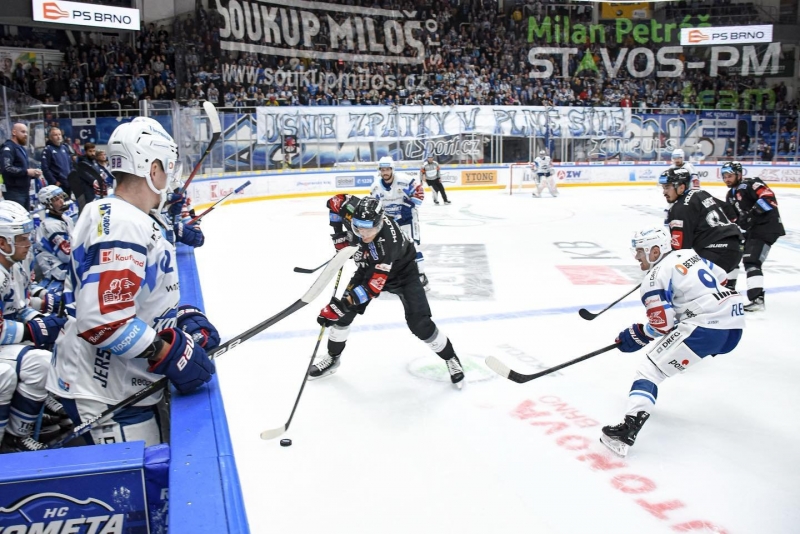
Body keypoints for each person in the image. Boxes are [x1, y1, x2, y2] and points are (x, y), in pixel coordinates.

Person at [46, 117, 218, 446]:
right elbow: (103, 321)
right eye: (167, 167)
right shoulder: (122, 223)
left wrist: (182, 318)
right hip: (107, 391)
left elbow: (136, 295)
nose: (169, 177)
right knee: (142, 494)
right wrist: (167, 350)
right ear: (152, 169)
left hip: (122, 382)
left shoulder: (125, 216)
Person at [600, 227, 745, 457]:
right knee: (673, 347)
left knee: (649, 371)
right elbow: (722, 277)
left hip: (707, 326)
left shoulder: (653, 279)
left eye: (640, 251)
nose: (636, 256)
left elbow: (662, 325)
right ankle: (679, 356)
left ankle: (627, 429)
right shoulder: (689, 254)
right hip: (735, 322)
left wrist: (635, 334)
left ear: (655, 250)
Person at [311, 195, 465, 388]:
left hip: (403, 274)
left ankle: (451, 358)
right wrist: (338, 234)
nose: (364, 234)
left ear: (380, 221)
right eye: (358, 227)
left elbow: (374, 287)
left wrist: (343, 304)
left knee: (419, 323)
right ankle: (333, 358)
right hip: (368, 268)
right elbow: (334, 202)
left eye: (370, 229)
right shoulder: (352, 210)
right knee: (343, 318)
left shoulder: (387, 244)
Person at [0, 201, 67, 452]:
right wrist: (32, 330)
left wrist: (46, 313)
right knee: (3, 376)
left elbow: (18, 307)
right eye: (21, 238)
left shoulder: (13, 265)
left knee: (40, 361)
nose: (28, 243)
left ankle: (18, 435)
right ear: (2, 242)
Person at [720, 161, 785, 311]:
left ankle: (757, 299)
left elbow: (769, 199)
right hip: (751, 231)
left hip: (766, 227)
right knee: (732, 253)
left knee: (751, 260)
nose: (727, 179)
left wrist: (752, 214)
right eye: (724, 176)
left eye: (729, 176)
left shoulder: (751, 183)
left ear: (739, 174)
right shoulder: (730, 195)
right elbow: (733, 218)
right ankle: (729, 291)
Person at [659, 167, 743, 279]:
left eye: (667, 187)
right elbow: (728, 209)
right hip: (735, 247)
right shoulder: (701, 193)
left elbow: (680, 249)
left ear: (681, 187)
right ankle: (728, 289)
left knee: (685, 283)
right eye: (663, 187)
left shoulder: (679, 208)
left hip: (715, 252)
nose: (664, 192)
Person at [370, 156, 429, 287]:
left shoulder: (404, 180)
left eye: (387, 169)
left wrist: (408, 207)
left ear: (392, 169)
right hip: (390, 221)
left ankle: (421, 274)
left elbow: (419, 192)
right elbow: (375, 205)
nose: (385, 172)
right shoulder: (375, 187)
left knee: (413, 246)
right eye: (382, 169)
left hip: (408, 219)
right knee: (389, 248)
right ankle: (393, 275)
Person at [33, 185, 74, 295]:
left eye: (61, 197)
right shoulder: (51, 225)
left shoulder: (66, 218)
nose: (61, 201)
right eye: (56, 199)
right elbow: (67, 256)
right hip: (56, 269)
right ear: (48, 204)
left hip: (64, 263)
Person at [1, 123, 42, 210]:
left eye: (27, 132)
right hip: (14, 192)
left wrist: (33, 173)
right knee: (18, 220)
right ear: (14, 132)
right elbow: (7, 168)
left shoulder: (21, 148)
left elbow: (22, 168)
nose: (26, 135)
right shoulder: (8, 148)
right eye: (23, 132)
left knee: (26, 219)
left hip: (25, 190)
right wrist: (27, 171)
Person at [40, 127, 73, 195]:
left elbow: (70, 164)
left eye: (59, 134)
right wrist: (54, 182)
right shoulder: (48, 150)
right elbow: (45, 168)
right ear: (50, 137)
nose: (58, 137)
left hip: (68, 183)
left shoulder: (65, 148)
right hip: (57, 185)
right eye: (55, 135)